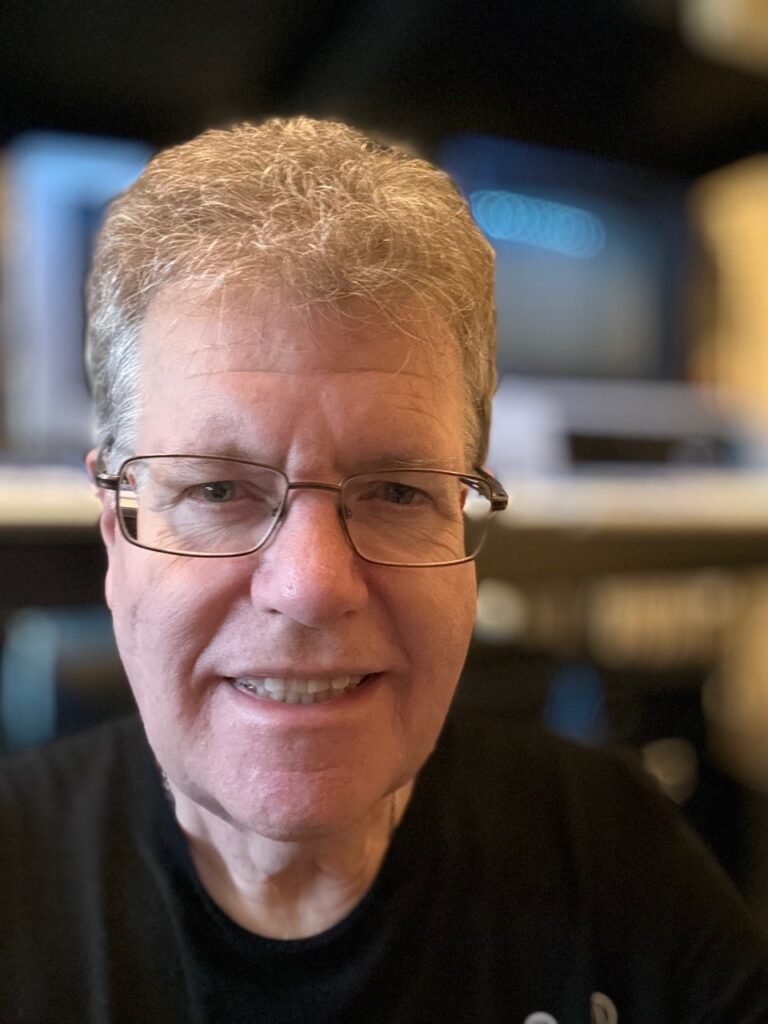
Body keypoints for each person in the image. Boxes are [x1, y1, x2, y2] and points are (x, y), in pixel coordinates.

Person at [1, 116, 767, 1024]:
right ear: (115, 531)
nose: (311, 585)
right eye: (217, 489)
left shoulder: (615, 855)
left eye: (399, 491)